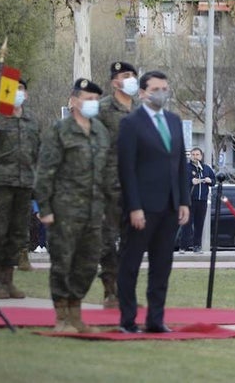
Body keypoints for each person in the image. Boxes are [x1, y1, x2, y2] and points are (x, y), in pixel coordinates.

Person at [35, 78, 117, 332]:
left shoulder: (101, 132)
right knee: (63, 263)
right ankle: (62, 317)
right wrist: (45, 209)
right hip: (64, 211)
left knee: (89, 263)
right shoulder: (60, 131)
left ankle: (76, 311)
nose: (92, 104)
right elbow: (45, 171)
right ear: (74, 101)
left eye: (95, 100)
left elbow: (107, 172)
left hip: (94, 213)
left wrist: (110, 207)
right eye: (87, 99)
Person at [116, 70, 190, 334]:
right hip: (143, 207)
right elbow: (127, 169)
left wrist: (184, 200)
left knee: (162, 266)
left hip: (170, 206)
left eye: (165, 88)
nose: (161, 93)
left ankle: (155, 320)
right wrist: (134, 206)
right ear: (143, 92)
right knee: (131, 264)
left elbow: (181, 163)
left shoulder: (173, 120)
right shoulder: (131, 123)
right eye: (156, 89)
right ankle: (127, 319)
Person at [0, 79, 40, 299]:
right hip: (1, 185)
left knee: (18, 235)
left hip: (24, 184)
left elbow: (37, 153)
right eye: (14, 89)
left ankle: (8, 280)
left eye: (21, 89)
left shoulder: (31, 120)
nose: (18, 93)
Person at [96, 61, 138, 308]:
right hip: (108, 185)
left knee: (132, 241)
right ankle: (110, 290)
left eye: (133, 75)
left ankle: (127, 292)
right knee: (108, 239)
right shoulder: (102, 110)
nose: (131, 78)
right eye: (125, 75)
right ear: (115, 82)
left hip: (135, 187)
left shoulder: (141, 110)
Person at [181, 147, 215, 252]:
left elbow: (214, 181)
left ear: (201, 156)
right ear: (190, 156)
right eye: (193, 154)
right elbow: (181, 181)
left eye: (197, 154)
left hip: (202, 200)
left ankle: (197, 246)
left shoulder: (206, 168)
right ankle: (183, 246)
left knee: (199, 224)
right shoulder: (186, 168)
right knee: (187, 224)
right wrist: (191, 181)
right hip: (190, 200)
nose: (195, 157)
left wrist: (210, 180)